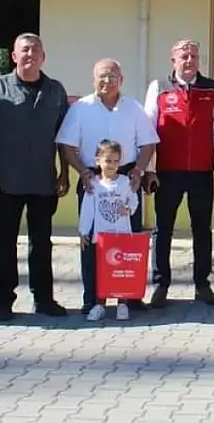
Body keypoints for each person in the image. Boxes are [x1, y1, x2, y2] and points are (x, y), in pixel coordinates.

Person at [0, 33, 70, 322]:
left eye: (36, 50)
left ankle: (44, 299)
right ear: (14, 56)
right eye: (24, 50)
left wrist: (64, 173)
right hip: (6, 183)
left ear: (44, 57)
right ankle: (4, 301)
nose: (30, 55)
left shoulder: (55, 91)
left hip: (44, 182)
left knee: (41, 244)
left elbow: (64, 137)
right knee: (5, 243)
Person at [57, 59, 158, 314]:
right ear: (93, 79)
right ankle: (92, 298)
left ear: (121, 80)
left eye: (113, 77)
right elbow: (66, 145)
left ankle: (130, 296)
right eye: (102, 76)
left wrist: (138, 171)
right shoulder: (81, 108)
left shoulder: (133, 108)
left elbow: (148, 144)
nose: (107, 81)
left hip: (127, 180)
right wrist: (82, 173)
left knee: (128, 242)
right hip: (93, 181)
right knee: (91, 240)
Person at [144, 39, 214, 307]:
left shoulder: (212, 88)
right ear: (174, 61)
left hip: (201, 171)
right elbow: (148, 129)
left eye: (194, 56)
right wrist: (147, 169)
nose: (190, 60)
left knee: (202, 229)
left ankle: (202, 285)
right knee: (163, 229)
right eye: (184, 56)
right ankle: (160, 285)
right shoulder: (158, 87)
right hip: (167, 171)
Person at [77, 140, 142, 322]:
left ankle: (122, 303)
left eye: (115, 161)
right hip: (102, 237)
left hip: (121, 235)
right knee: (102, 271)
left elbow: (133, 200)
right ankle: (100, 304)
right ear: (98, 161)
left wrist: (129, 209)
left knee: (121, 270)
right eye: (107, 161)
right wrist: (83, 231)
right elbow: (88, 208)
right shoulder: (94, 184)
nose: (111, 165)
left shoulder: (124, 182)